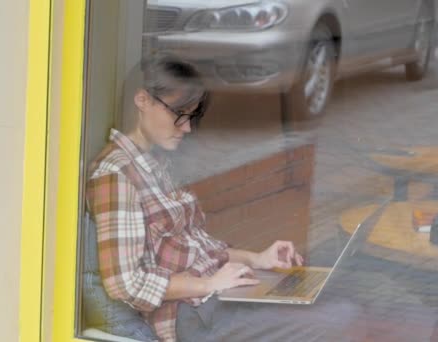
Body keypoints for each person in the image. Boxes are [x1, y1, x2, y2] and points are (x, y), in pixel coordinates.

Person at [86, 53, 358, 342]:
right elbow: (125, 285)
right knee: (339, 318)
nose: (187, 128)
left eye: (192, 117)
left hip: (218, 295)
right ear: (142, 100)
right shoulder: (117, 176)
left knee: (336, 301)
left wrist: (258, 259)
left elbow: (196, 247)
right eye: (180, 114)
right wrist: (208, 284)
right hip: (194, 314)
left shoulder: (157, 164)